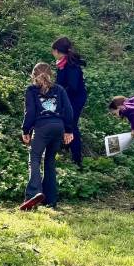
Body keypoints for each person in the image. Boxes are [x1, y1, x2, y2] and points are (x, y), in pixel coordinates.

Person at [19, 63, 74, 211]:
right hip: (58, 127)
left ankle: (33, 193)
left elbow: (30, 112)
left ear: (33, 75)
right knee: (49, 161)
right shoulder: (59, 89)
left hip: (42, 128)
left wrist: (26, 130)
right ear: (51, 74)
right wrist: (68, 130)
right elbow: (68, 110)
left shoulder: (31, 90)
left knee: (35, 158)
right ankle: (50, 200)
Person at [52, 37, 87, 169]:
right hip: (67, 98)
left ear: (57, 51)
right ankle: (65, 148)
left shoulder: (71, 65)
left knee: (71, 125)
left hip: (75, 99)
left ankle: (77, 160)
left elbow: (72, 87)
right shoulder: (62, 63)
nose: (52, 53)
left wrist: (60, 95)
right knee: (63, 121)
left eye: (53, 51)